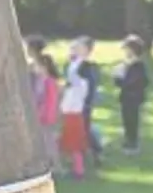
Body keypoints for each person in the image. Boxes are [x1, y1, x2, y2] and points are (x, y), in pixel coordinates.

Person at [113, 35, 150, 155]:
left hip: (134, 98)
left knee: (132, 120)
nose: (125, 52)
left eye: (127, 49)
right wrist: (117, 76)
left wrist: (122, 78)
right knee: (126, 120)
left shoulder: (138, 65)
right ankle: (128, 140)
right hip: (126, 97)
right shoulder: (127, 64)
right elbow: (121, 83)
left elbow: (136, 82)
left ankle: (133, 143)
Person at [58, 51, 92, 179]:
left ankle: (78, 170)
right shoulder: (74, 84)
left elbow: (72, 73)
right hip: (69, 116)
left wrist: (77, 59)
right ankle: (71, 167)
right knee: (68, 145)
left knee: (74, 146)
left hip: (73, 117)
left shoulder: (81, 84)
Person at [71, 37, 104, 165]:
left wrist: (86, 101)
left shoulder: (88, 67)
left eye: (78, 47)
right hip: (75, 102)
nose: (74, 50)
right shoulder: (75, 64)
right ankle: (85, 154)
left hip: (83, 103)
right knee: (82, 128)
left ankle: (96, 152)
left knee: (84, 128)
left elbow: (90, 87)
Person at [36, 52, 63, 169]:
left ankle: (56, 165)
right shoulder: (41, 80)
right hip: (40, 115)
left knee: (49, 142)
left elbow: (51, 101)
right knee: (44, 141)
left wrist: (47, 116)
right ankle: (49, 164)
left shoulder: (49, 82)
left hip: (46, 116)